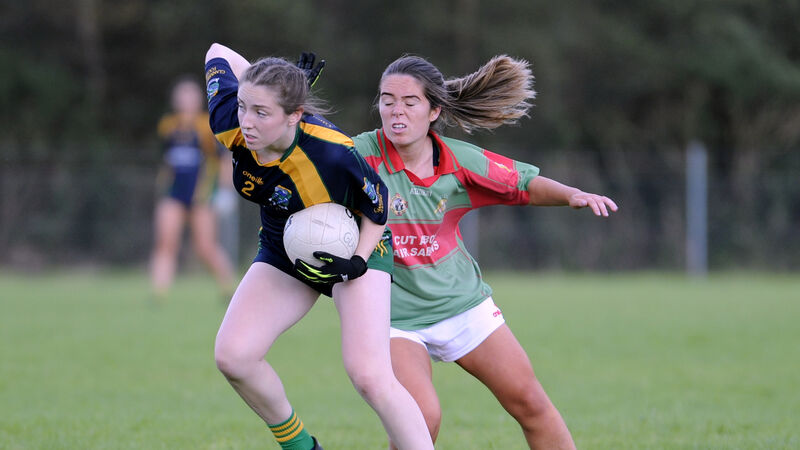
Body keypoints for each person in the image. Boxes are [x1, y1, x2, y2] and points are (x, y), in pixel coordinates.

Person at [348, 54, 619, 449]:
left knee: (531, 403)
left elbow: (523, 183)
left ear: (434, 110)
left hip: (461, 305)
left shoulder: (458, 161)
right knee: (420, 416)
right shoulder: (358, 155)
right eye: (387, 100)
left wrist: (572, 195)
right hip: (394, 318)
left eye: (410, 101)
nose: (396, 110)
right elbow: (310, 165)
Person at [204, 44, 434, 450]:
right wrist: (279, 82)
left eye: (262, 112)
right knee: (234, 356)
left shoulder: (332, 152)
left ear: (294, 115)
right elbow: (218, 51)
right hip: (283, 247)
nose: (247, 122)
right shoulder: (230, 123)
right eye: (244, 106)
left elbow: (377, 210)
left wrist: (357, 263)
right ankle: (302, 447)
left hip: (358, 247)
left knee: (370, 376)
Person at [149, 76, 235, 302]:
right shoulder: (168, 126)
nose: (185, 100)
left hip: (202, 196)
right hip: (174, 194)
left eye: (190, 95)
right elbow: (166, 161)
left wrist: (225, 192)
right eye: (181, 95)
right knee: (165, 243)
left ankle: (229, 289)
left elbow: (223, 160)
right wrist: (163, 186)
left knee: (205, 247)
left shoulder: (207, 125)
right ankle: (159, 294)